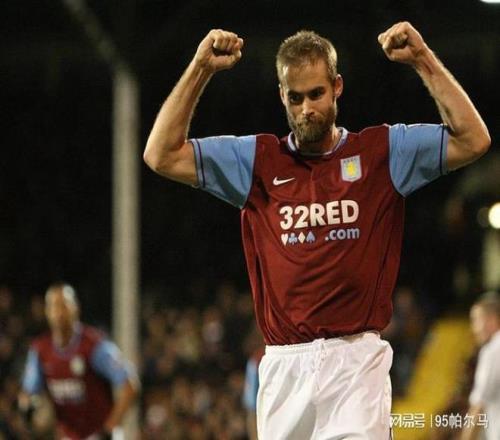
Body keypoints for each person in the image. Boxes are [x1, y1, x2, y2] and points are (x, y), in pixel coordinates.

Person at [143, 22, 490, 439]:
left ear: (337, 87)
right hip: (284, 370)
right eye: (295, 97)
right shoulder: (256, 160)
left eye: (316, 94)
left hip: (356, 365)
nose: (306, 108)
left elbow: (473, 140)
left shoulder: (381, 153)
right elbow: (161, 154)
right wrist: (200, 68)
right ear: (282, 96)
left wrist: (422, 59)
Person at [19, 282, 139, 439]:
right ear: (47, 312)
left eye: (64, 306)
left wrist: (110, 427)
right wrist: (28, 411)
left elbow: (130, 385)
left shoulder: (95, 346)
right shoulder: (40, 350)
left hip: (99, 434)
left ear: (76, 308)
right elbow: (28, 392)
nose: (59, 313)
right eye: (54, 306)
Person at [461, 292, 500, 440]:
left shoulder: (493, 350)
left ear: (491, 319)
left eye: (476, 320)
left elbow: (479, 404)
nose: (474, 328)